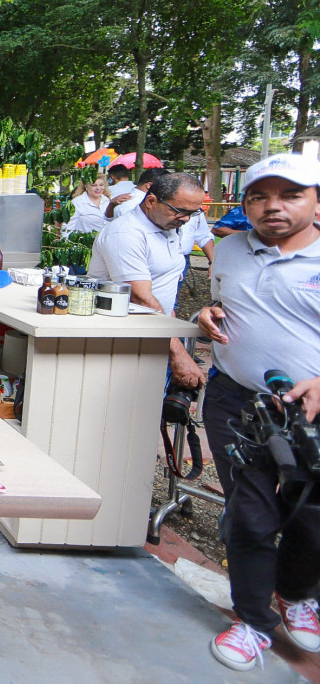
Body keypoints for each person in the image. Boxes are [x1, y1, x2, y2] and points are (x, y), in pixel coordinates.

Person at [194, 153, 320, 672]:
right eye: (259, 197)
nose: (273, 207)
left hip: (310, 411)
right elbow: (224, 307)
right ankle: (253, 620)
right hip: (237, 403)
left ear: (316, 202)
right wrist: (204, 315)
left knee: (312, 515)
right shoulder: (228, 249)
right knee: (250, 515)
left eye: (290, 195)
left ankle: (296, 593)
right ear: (244, 205)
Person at [85, 172, 207, 387]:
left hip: (156, 334)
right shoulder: (126, 233)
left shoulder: (166, 226)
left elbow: (163, 285)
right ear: (151, 201)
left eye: (193, 213)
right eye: (180, 211)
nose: (186, 219)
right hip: (123, 342)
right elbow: (140, 298)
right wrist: (178, 353)